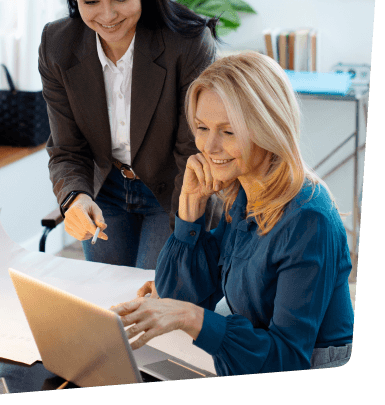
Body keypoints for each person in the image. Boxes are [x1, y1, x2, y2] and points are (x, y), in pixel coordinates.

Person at [110, 51, 354, 374]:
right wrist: (190, 211)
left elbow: (287, 358)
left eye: (228, 131)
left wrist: (189, 316)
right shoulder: (243, 192)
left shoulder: (308, 220)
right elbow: (176, 296)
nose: (209, 147)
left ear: (268, 129)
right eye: (202, 127)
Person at [38, 0, 223, 269]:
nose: (107, 16)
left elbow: (193, 151)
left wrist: (185, 239)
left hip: (172, 188)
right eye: (90, 1)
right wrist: (75, 197)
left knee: (153, 294)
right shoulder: (57, 45)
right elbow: (66, 148)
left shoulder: (187, 43)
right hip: (105, 188)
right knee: (107, 297)